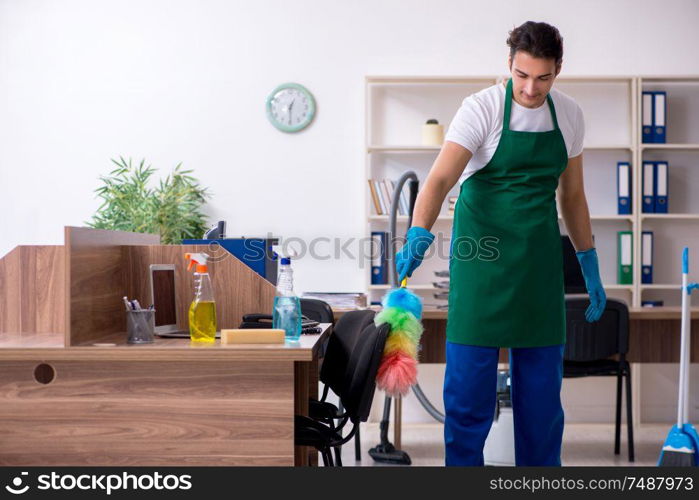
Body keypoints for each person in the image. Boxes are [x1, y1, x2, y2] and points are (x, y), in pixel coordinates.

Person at [394, 21, 606, 466]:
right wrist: (418, 231)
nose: (530, 88)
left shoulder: (568, 115)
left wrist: (588, 261)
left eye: (543, 77)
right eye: (522, 75)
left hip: (537, 269)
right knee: (468, 400)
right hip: (481, 270)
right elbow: (439, 179)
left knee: (542, 407)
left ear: (558, 70)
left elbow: (572, 196)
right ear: (509, 64)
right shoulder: (482, 108)